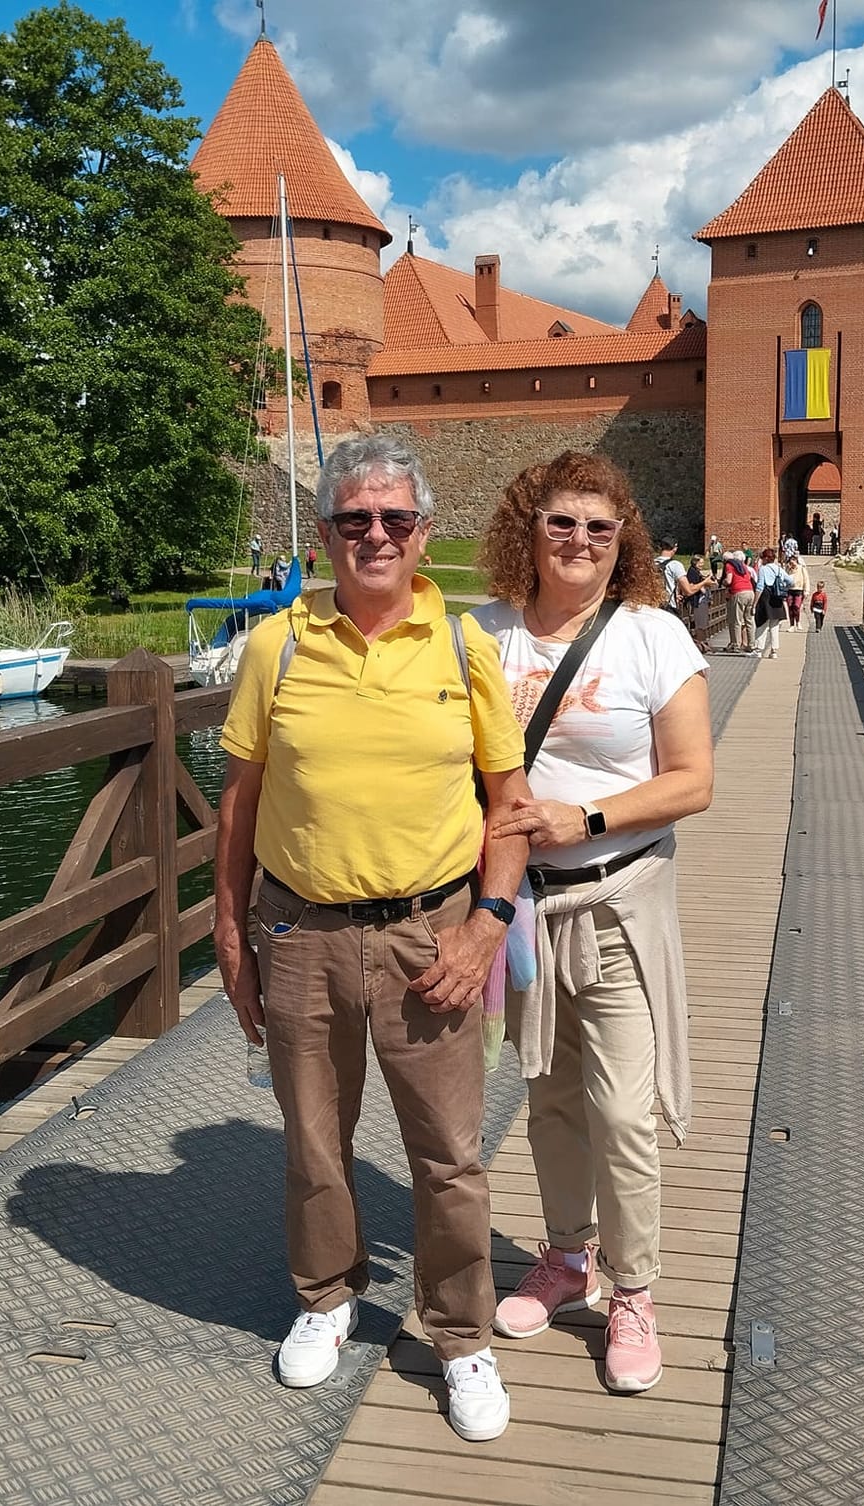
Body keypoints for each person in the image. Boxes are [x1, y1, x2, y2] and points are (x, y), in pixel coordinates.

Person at [213, 433, 530, 1442]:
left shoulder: (460, 644)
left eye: (395, 519)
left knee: (445, 1154)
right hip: (299, 929)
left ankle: (460, 1334)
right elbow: (238, 801)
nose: (376, 536)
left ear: (424, 532)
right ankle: (325, 1298)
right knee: (312, 1139)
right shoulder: (278, 644)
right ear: (325, 535)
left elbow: (508, 804)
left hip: (428, 934)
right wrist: (227, 928)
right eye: (355, 520)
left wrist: (485, 927)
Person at [469, 450, 714, 1395]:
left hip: (617, 899)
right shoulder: (483, 636)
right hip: (522, 908)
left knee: (620, 1110)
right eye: (561, 521)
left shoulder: (653, 638)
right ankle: (566, 1255)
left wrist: (586, 818)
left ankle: (634, 1288)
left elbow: (695, 780)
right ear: (526, 528)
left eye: (599, 528)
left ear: (624, 543)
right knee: (549, 1098)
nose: (578, 541)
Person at [753, 548, 790, 658]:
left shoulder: (763, 569)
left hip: (766, 597)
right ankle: (774, 651)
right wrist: (784, 587)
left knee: (762, 623)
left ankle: (758, 649)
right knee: (774, 626)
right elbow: (790, 580)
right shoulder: (779, 569)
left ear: (765, 558)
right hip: (776, 598)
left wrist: (754, 603)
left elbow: (760, 586)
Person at [723, 550, 757, 652]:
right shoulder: (744, 567)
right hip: (750, 592)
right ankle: (751, 644)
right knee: (749, 620)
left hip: (739, 592)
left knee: (737, 620)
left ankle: (736, 645)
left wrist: (724, 583)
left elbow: (729, 580)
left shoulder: (729, 565)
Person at [655, 539, 688, 619]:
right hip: (668, 607)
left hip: (653, 608)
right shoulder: (675, 564)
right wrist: (705, 582)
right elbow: (688, 590)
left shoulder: (651, 563)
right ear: (675, 548)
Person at [784, 549, 810, 629]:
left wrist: (806, 590)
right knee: (790, 607)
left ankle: (798, 621)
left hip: (799, 589)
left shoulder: (801, 568)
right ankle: (792, 625)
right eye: (790, 563)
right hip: (790, 590)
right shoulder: (788, 570)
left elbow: (806, 579)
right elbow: (784, 579)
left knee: (796, 606)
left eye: (793, 562)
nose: (792, 564)